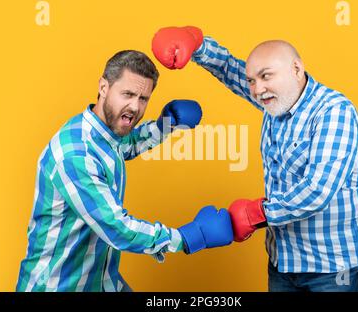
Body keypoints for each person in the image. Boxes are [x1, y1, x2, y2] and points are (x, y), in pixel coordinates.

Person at [152, 26, 358, 292]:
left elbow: (318, 191)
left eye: (266, 76)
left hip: (334, 269)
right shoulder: (277, 101)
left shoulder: (334, 112)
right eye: (252, 81)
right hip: (282, 264)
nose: (258, 89)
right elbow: (229, 69)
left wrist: (255, 214)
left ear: (296, 69)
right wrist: (195, 42)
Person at [16, 49, 233, 292]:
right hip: (58, 287)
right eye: (127, 94)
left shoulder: (103, 135)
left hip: (100, 281)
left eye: (143, 98)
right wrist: (187, 237)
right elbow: (117, 228)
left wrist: (166, 125)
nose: (135, 107)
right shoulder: (76, 154)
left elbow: (125, 145)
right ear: (103, 87)